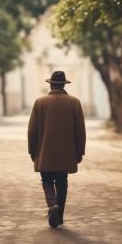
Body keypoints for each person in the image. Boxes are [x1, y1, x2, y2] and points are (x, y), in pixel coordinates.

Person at [28, 70, 86, 228]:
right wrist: (80, 152)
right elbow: (80, 130)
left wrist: (32, 151)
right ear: (63, 84)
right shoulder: (74, 102)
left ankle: (52, 204)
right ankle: (59, 216)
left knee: (46, 180)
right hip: (66, 153)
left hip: (44, 151)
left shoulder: (40, 102)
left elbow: (33, 130)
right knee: (62, 182)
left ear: (51, 84)